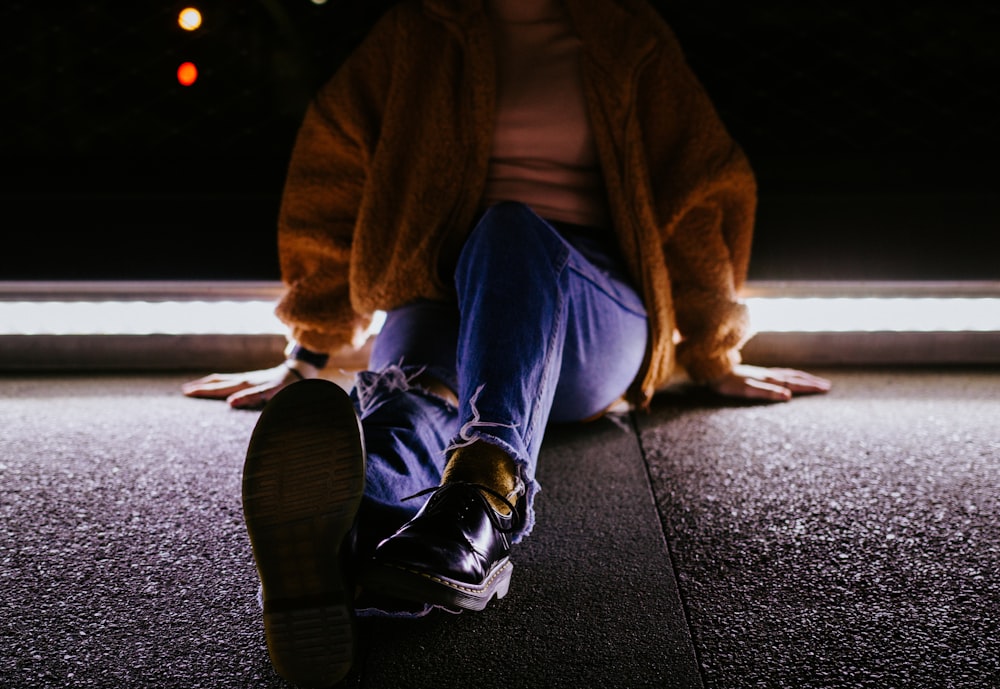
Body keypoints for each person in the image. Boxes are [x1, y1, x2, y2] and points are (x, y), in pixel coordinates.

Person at [183, 0, 831, 685]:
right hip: (442, 288)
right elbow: (333, 169)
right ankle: (344, 531)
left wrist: (711, 348)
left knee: (509, 228)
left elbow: (695, 189)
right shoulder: (417, 30)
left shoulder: (625, 33)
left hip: (590, 309)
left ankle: (485, 495)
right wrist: (308, 349)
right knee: (413, 402)